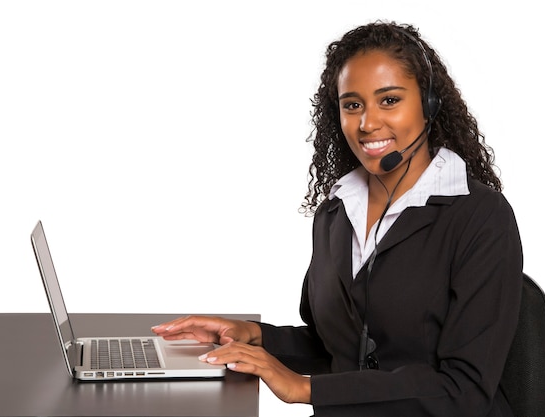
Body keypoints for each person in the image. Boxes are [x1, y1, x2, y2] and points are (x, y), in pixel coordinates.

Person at [152, 21, 523, 417]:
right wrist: (252, 336)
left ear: (429, 104)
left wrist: (305, 388)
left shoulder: (480, 217)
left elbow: (462, 390)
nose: (367, 123)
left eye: (390, 100)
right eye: (352, 105)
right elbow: (338, 348)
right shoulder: (337, 212)